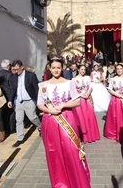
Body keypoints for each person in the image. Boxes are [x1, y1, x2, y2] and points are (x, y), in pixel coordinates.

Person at [37, 57, 91, 188]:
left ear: (62, 68)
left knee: (71, 149)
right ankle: (60, 183)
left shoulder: (69, 82)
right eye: (53, 67)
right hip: (50, 120)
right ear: (49, 68)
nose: (56, 70)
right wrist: (51, 110)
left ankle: (76, 180)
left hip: (67, 118)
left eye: (58, 68)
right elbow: (40, 104)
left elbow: (77, 101)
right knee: (54, 152)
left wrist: (62, 105)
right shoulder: (43, 85)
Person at [8, 60, 41, 148]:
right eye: (14, 69)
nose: (15, 71)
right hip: (18, 101)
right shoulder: (13, 77)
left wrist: (39, 100)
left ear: (22, 67)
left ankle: (40, 126)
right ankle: (20, 138)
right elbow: (12, 89)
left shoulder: (30, 76)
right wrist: (10, 100)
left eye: (17, 69)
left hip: (29, 100)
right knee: (18, 120)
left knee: (32, 117)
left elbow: (36, 88)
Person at [104, 63, 123, 143]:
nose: (119, 70)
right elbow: (110, 89)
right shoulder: (113, 79)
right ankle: (115, 133)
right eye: (117, 69)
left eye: (120, 69)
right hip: (115, 100)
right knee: (116, 116)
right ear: (115, 70)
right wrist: (118, 95)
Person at [72, 64, 100, 143]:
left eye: (84, 69)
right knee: (82, 117)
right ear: (78, 70)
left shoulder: (87, 78)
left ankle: (92, 134)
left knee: (90, 116)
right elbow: (73, 92)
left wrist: (87, 94)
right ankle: (84, 136)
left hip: (88, 99)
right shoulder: (74, 80)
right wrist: (80, 96)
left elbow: (91, 87)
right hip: (79, 100)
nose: (83, 71)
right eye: (81, 69)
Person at [0, 59, 16, 135]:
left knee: (3, 114)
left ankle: (5, 128)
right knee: (11, 113)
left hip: (1, 96)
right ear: (8, 66)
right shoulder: (10, 75)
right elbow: (12, 88)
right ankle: (11, 129)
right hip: (9, 96)